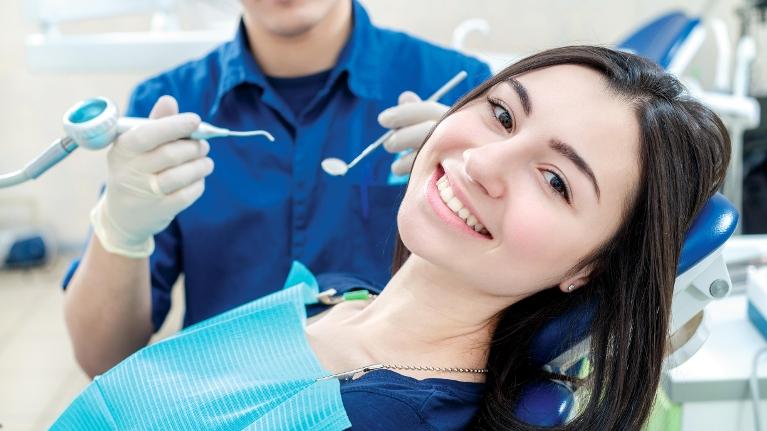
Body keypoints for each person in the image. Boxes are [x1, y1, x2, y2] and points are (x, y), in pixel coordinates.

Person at [54, 46, 730, 430]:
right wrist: (120, 227)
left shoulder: (376, 415)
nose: (483, 163)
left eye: (554, 181)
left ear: (589, 266)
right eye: (500, 113)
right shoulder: (337, 299)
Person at [62, 0, 492, 377]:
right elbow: (103, 358)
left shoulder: (459, 87)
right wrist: (120, 229)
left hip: (402, 404)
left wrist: (477, 192)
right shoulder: (168, 104)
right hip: (222, 408)